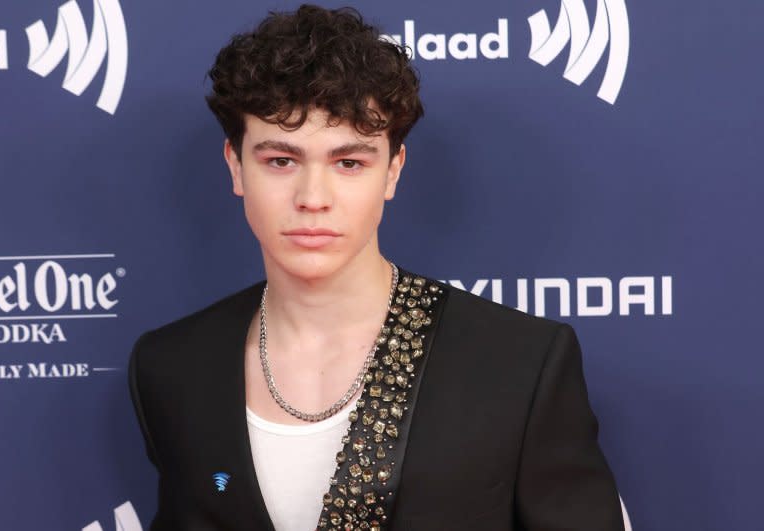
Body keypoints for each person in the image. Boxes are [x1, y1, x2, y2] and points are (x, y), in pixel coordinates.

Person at [128, 4, 625, 530]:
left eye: (349, 163)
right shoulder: (172, 368)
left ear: (392, 171)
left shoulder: (519, 364)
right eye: (281, 161)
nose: (312, 197)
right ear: (236, 166)